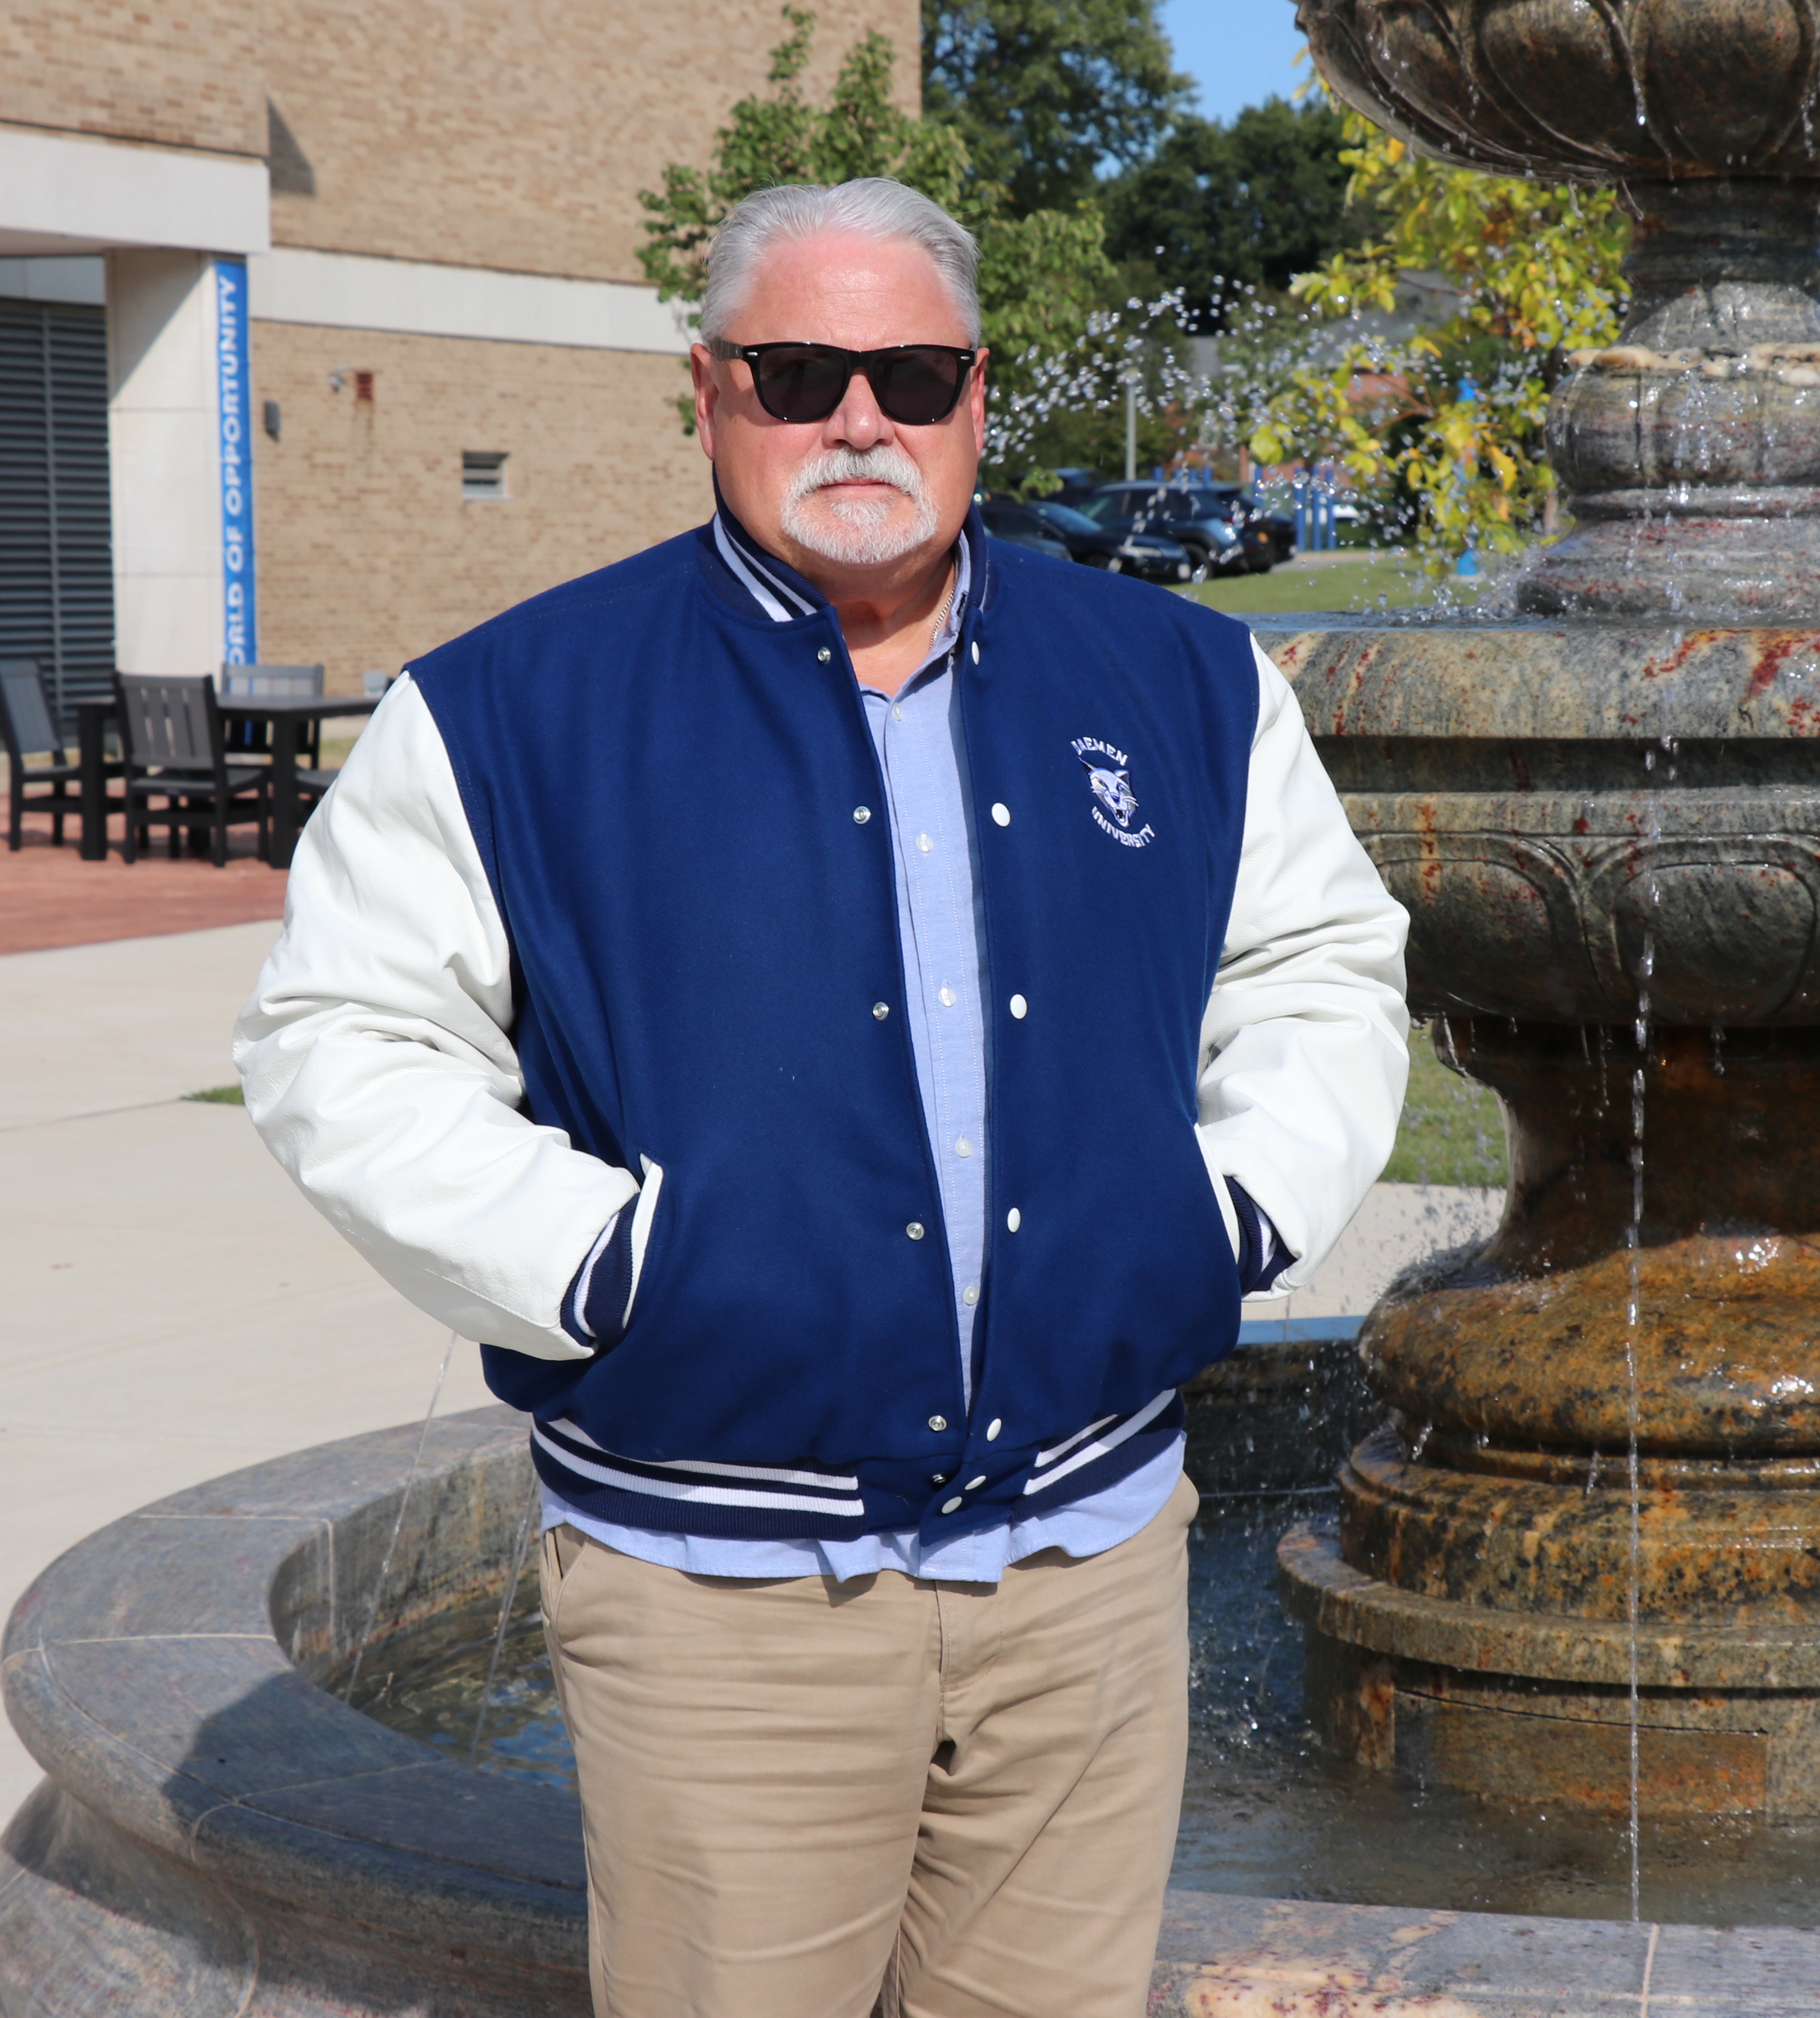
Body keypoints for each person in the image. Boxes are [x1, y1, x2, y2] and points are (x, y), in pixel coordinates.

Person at [232, 176, 1409, 2018]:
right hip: (722, 1610)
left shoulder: (1182, 680)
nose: (859, 416)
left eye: (911, 372)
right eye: (798, 371)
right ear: (705, 390)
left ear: (978, 394)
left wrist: (1229, 1211)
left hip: (1088, 1582)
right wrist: (605, 1266)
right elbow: (340, 1039)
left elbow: (1321, 966)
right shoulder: (512, 708)